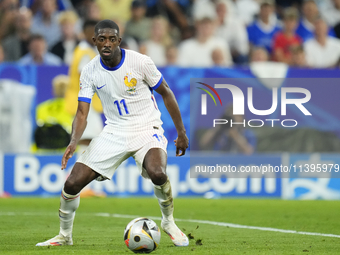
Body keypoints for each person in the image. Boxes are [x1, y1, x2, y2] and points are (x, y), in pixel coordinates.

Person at [35, 19, 189, 247]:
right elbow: (81, 112)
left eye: (111, 39)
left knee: (157, 173)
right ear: (94, 41)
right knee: (72, 184)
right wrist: (73, 142)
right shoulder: (89, 71)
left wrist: (181, 132)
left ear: (118, 40)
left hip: (147, 127)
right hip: (114, 131)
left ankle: (168, 222)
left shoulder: (140, 62)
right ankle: (64, 236)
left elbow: (166, 93)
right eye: (102, 39)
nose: (107, 43)